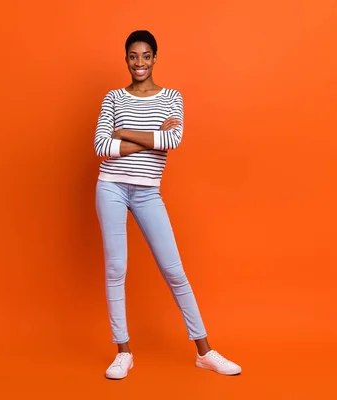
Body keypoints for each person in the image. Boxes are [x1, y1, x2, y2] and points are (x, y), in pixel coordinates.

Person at [93, 30, 242, 380]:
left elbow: (173, 138)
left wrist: (123, 133)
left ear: (155, 58)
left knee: (174, 271)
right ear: (126, 59)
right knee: (117, 270)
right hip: (110, 186)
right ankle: (123, 352)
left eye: (146, 56)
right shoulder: (113, 97)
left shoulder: (171, 97)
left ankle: (205, 352)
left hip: (147, 191)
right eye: (133, 56)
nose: (140, 62)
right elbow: (101, 147)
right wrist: (150, 138)